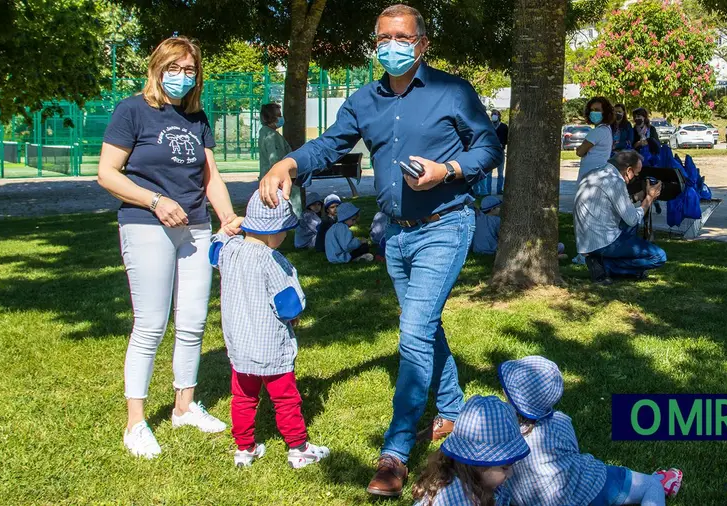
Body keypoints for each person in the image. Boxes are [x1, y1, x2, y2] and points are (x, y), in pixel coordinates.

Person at [257, 4, 502, 496]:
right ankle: (450, 409)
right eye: (383, 38)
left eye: (402, 37)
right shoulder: (363, 100)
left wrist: (447, 171)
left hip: (444, 225)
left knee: (412, 330)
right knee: (424, 325)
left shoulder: (452, 90)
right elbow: (328, 146)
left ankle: (395, 451)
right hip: (395, 234)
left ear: (422, 44)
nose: (392, 46)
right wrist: (287, 163)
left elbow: (488, 146)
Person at [97, 36, 241, 459]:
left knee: (194, 320)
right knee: (151, 325)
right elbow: (107, 173)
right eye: (174, 68)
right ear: (157, 67)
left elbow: (210, 176)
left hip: (195, 227)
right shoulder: (132, 110)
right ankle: (136, 423)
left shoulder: (196, 116)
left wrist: (227, 217)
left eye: (190, 70)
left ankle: (184, 406)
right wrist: (155, 201)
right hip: (147, 225)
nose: (182, 77)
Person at [209, 190, 330, 469]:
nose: (285, 237)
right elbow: (288, 305)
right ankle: (298, 448)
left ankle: (244, 449)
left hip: (239, 346)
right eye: (285, 231)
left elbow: (213, 252)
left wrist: (226, 231)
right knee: (286, 399)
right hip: (270, 347)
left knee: (243, 398)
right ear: (272, 231)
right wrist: (297, 311)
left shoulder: (230, 250)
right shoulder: (273, 261)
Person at [501, 356, 683, 506]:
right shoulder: (560, 422)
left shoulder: (499, 433)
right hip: (589, 490)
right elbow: (573, 455)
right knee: (652, 486)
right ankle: (659, 481)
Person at [411, 395, 530, 506]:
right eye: (505, 467)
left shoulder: (473, 480)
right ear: (478, 465)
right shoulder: (458, 500)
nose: (510, 473)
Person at [573, 151, 666, 284]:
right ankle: (607, 266)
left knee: (630, 223)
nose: (635, 178)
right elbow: (632, 219)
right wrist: (649, 199)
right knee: (659, 256)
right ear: (628, 171)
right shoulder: (615, 181)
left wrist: (637, 197)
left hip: (586, 240)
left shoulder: (595, 173)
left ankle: (600, 262)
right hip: (603, 241)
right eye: (636, 174)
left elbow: (615, 204)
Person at [472, 196, 566, 258]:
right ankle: (552, 254)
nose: (500, 209)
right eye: (498, 207)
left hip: (478, 250)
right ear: (492, 209)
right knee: (558, 246)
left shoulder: (477, 218)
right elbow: (506, 238)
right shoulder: (496, 221)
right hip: (493, 250)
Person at [576, 97, 616, 182]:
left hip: (590, 177)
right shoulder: (607, 129)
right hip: (599, 175)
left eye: (597, 110)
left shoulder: (597, 132)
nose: (593, 112)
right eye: (592, 110)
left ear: (605, 112)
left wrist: (581, 148)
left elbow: (580, 152)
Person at [258, 103, 291, 181]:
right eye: (279, 115)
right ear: (271, 117)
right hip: (275, 179)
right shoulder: (271, 135)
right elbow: (274, 159)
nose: (281, 118)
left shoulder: (265, 132)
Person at [487, 109, 509, 195]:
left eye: (495, 114)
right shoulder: (488, 126)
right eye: (492, 114)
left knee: (500, 173)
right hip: (490, 153)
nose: (493, 115)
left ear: (499, 116)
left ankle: (499, 190)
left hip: (500, 152)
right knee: (489, 173)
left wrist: (502, 143)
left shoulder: (504, 127)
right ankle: (488, 191)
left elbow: (507, 139)